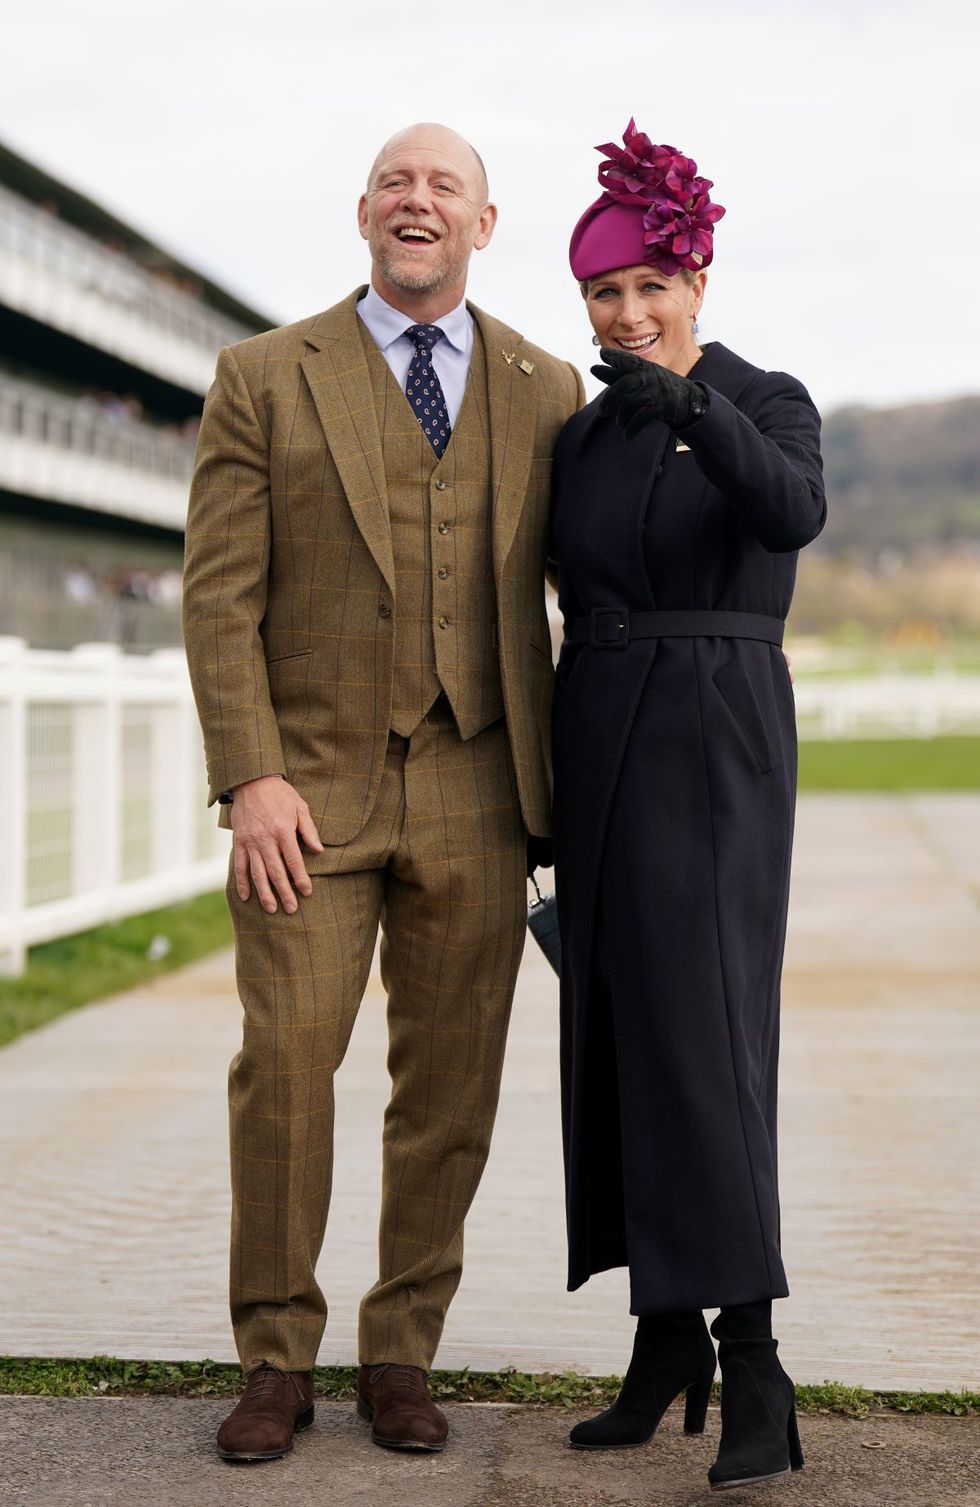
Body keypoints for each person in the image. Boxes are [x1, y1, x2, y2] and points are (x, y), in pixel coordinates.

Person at [181, 122, 583, 1463]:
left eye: (444, 186)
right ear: (365, 213)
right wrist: (249, 773)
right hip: (307, 790)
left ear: (483, 223)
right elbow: (218, 594)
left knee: (451, 1087)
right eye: (397, 184)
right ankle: (274, 1359)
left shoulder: (545, 386)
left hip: (484, 785)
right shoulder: (263, 375)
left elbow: (593, 583)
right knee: (288, 1066)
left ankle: (402, 1350)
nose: (420, 202)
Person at [550, 120, 825, 1490]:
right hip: (599, 731)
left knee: (709, 1035)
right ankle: (665, 1338)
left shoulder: (766, 399)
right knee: (614, 1030)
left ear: (697, 280)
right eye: (604, 292)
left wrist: (694, 411)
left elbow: (789, 514)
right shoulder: (582, 435)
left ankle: (755, 1358)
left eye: (650, 284)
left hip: (716, 736)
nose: (628, 312)